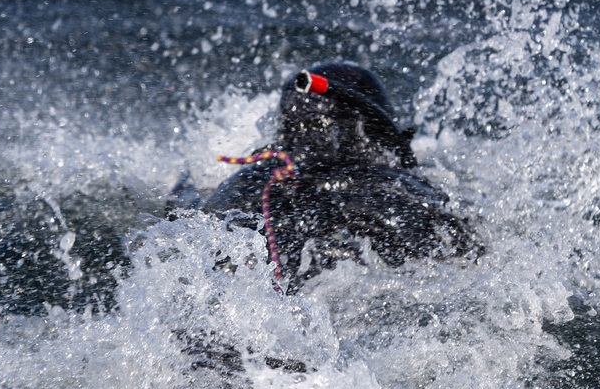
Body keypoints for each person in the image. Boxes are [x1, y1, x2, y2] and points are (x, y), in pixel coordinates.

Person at [167, 62, 476, 291]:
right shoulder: (402, 187)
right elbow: (468, 250)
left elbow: (185, 213)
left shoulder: (244, 184)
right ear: (379, 136)